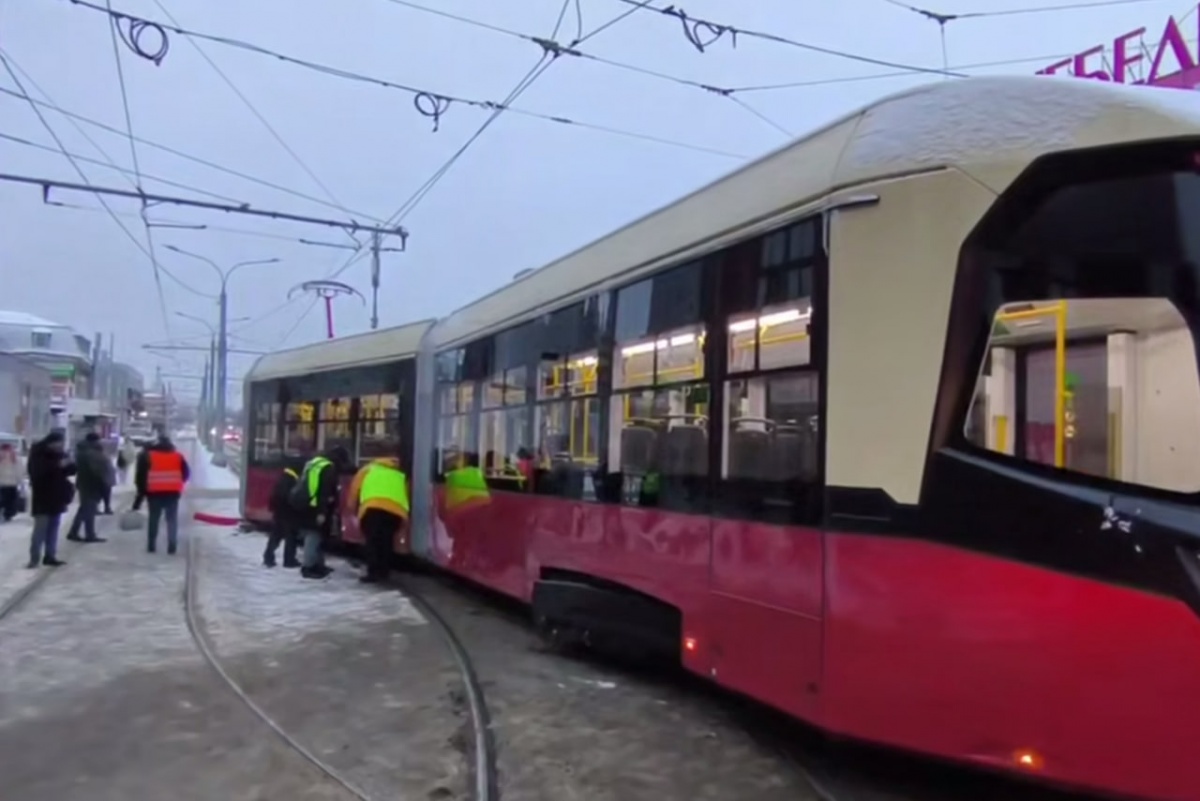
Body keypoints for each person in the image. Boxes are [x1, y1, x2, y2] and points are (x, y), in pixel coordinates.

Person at [347, 454, 410, 583]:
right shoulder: (399, 474)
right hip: (395, 512)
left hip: (372, 509)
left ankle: (373, 572)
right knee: (386, 542)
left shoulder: (367, 470)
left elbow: (354, 490)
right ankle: (384, 571)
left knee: (372, 542)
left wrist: (352, 509)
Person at [294, 446, 349, 580]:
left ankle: (318, 565)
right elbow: (324, 492)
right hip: (316, 507)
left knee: (318, 536)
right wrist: (322, 512)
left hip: (308, 504)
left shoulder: (315, 462)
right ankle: (308, 567)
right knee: (313, 536)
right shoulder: (328, 468)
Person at [132, 433, 190, 554]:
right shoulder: (178, 456)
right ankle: (172, 545)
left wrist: (141, 494)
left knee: (154, 519)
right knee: (172, 519)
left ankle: (151, 545)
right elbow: (186, 473)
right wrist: (178, 483)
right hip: (173, 492)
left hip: (154, 492)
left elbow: (141, 477)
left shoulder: (149, 456)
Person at [26, 431, 76, 568]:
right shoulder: (38, 454)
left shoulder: (60, 454)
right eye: (59, 442)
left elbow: (70, 471)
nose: (60, 445)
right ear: (51, 442)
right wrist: (59, 465)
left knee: (53, 529)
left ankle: (50, 556)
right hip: (42, 498)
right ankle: (34, 559)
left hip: (57, 497)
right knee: (40, 530)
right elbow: (37, 474)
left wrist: (70, 463)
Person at [66, 432, 109, 543]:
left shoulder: (82, 451)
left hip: (84, 483)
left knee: (83, 509)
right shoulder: (90, 453)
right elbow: (96, 470)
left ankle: (73, 532)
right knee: (90, 511)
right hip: (91, 484)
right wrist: (102, 482)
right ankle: (89, 534)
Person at [263, 465, 301, 568]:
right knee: (291, 537)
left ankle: (268, 557)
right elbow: (290, 497)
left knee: (276, 535)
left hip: (278, 512)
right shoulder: (291, 480)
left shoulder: (283, 477)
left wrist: (273, 508)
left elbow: (274, 495)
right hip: (287, 513)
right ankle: (289, 560)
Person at [0, 442, 20, 521]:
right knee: (11, 500)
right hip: (12, 483)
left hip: (2, 483)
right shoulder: (14, 456)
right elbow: (19, 469)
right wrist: (19, 480)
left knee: (3, 498)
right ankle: (8, 514)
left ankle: (6, 512)